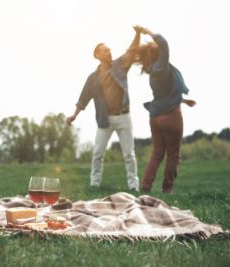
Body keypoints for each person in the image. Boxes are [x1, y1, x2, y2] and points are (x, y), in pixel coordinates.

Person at [66, 26, 142, 191]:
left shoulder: (120, 65)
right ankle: (94, 184)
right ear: (98, 55)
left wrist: (137, 34)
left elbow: (132, 51)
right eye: (106, 51)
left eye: (109, 50)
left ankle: (134, 186)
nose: (109, 52)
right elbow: (83, 99)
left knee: (129, 154)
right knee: (97, 154)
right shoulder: (92, 78)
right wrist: (74, 115)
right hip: (104, 120)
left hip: (124, 117)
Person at [135, 27, 196, 193]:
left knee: (157, 153)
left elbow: (165, 95)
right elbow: (163, 42)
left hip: (155, 116)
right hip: (170, 115)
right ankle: (167, 189)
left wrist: (183, 100)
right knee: (173, 154)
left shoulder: (152, 71)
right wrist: (145, 30)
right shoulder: (161, 66)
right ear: (158, 54)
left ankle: (146, 186)